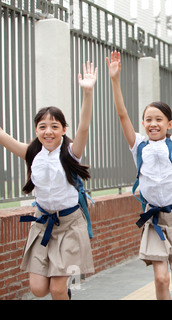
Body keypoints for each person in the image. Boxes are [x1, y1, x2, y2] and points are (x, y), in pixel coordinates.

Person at [106, 50, 172, 300]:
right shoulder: (138, 146)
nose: (153, 124)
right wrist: (115, 80)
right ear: (143, 124)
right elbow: (122, 115)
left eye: (159, 119)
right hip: (154, 221)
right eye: (148, 120)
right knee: (161, 279)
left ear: (169, 124)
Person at [0, 62, 98, 300]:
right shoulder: (33, 154)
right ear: (36, 130)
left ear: (64, 129)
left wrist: (88, 92)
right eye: (42, 126)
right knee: (38, 289)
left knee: (56, 290)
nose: (48, 131)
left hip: (69, 225)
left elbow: (84, 127)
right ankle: (65, 290)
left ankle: (63, 290)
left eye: (54, 126)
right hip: (42, 224)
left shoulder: (71, 152)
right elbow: (4, 137)